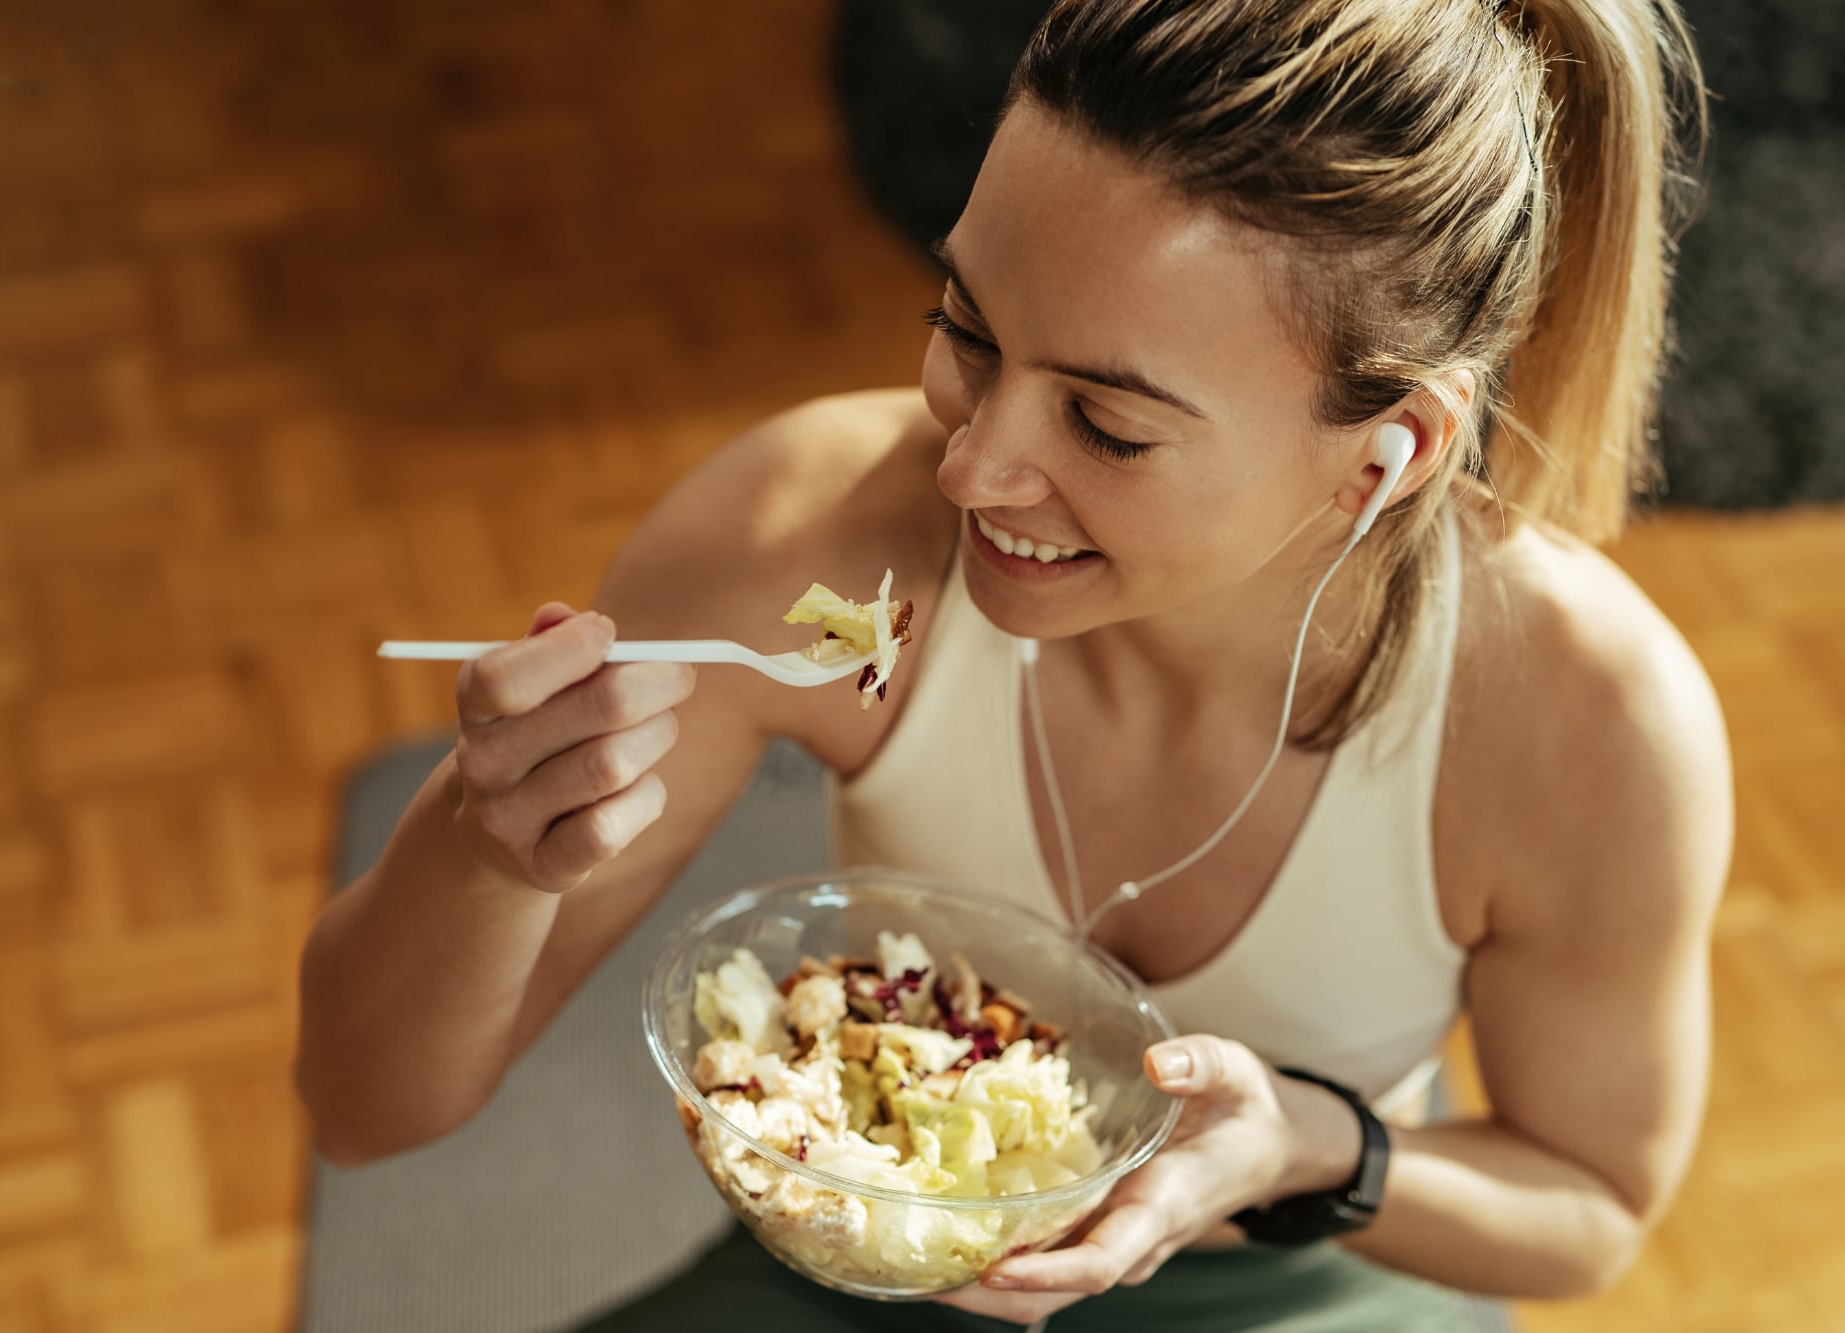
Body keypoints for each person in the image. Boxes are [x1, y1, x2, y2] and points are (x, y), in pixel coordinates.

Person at [295, 0, 1730, 1327]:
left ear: (1389, 451)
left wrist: (1309, 1146)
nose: (971, 469)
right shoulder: (799, 536)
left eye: (1109, 426)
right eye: (967, 331)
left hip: (1295, 1276)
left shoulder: (1590, 722)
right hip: (869, 1261)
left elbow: (1588, 1211)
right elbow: (363, 1114)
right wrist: (482, 855)